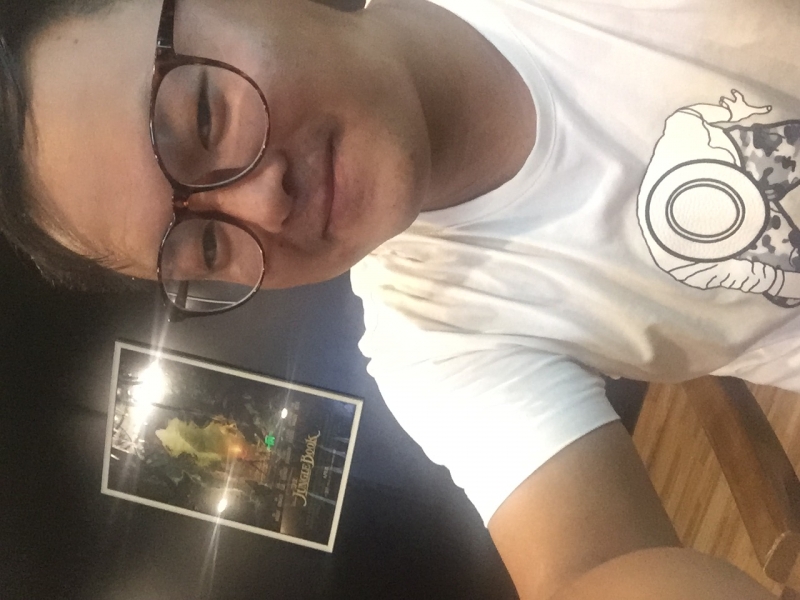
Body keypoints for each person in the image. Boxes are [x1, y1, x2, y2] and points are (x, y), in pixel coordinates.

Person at [1, 0, 796, 597]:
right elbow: (589, 564)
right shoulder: (433, 342)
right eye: (205, 245)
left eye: (206, 117)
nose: (262, 204)